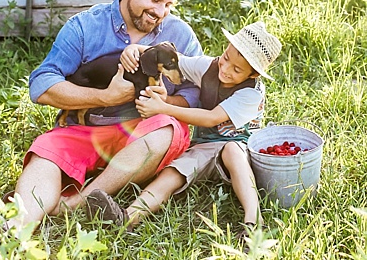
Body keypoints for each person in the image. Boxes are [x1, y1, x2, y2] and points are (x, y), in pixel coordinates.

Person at [0, 0, 202, 257]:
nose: (160, 12)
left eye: (168, 5)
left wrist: (164, 103)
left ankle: (75, 203)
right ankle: (10, 234)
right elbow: (41, 85)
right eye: (155, 0)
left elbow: (198, 90)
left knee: (167, 130)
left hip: (145, 131)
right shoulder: (84, 27)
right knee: (47, 153)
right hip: (84, 128)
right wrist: (106, 97)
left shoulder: (180, 34)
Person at [83, 21, 281, 240]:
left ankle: (254, 222)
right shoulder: (207, 66)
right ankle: (127, 218)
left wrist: (164, 107)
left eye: (236, 69)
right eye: (226, 58)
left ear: (252, 75)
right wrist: (133, 50)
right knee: (173, 172)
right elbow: (164, 55)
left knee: (232, 150)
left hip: (240, 151)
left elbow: (211, 117)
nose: (225, 69)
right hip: (205, 147)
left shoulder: (251, 93)